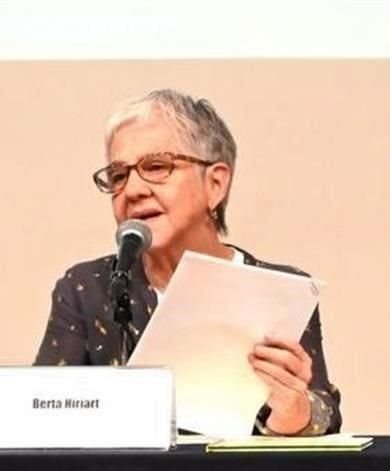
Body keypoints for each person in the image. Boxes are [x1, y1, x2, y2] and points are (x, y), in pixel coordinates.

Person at [35, 89, 341, 436]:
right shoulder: (87, 288)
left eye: (156, 167)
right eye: (118, 176)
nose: (132, 190)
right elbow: (39, 413)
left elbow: (324, 413)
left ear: (215, 183)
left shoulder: (278, 290)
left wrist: (292, 409)